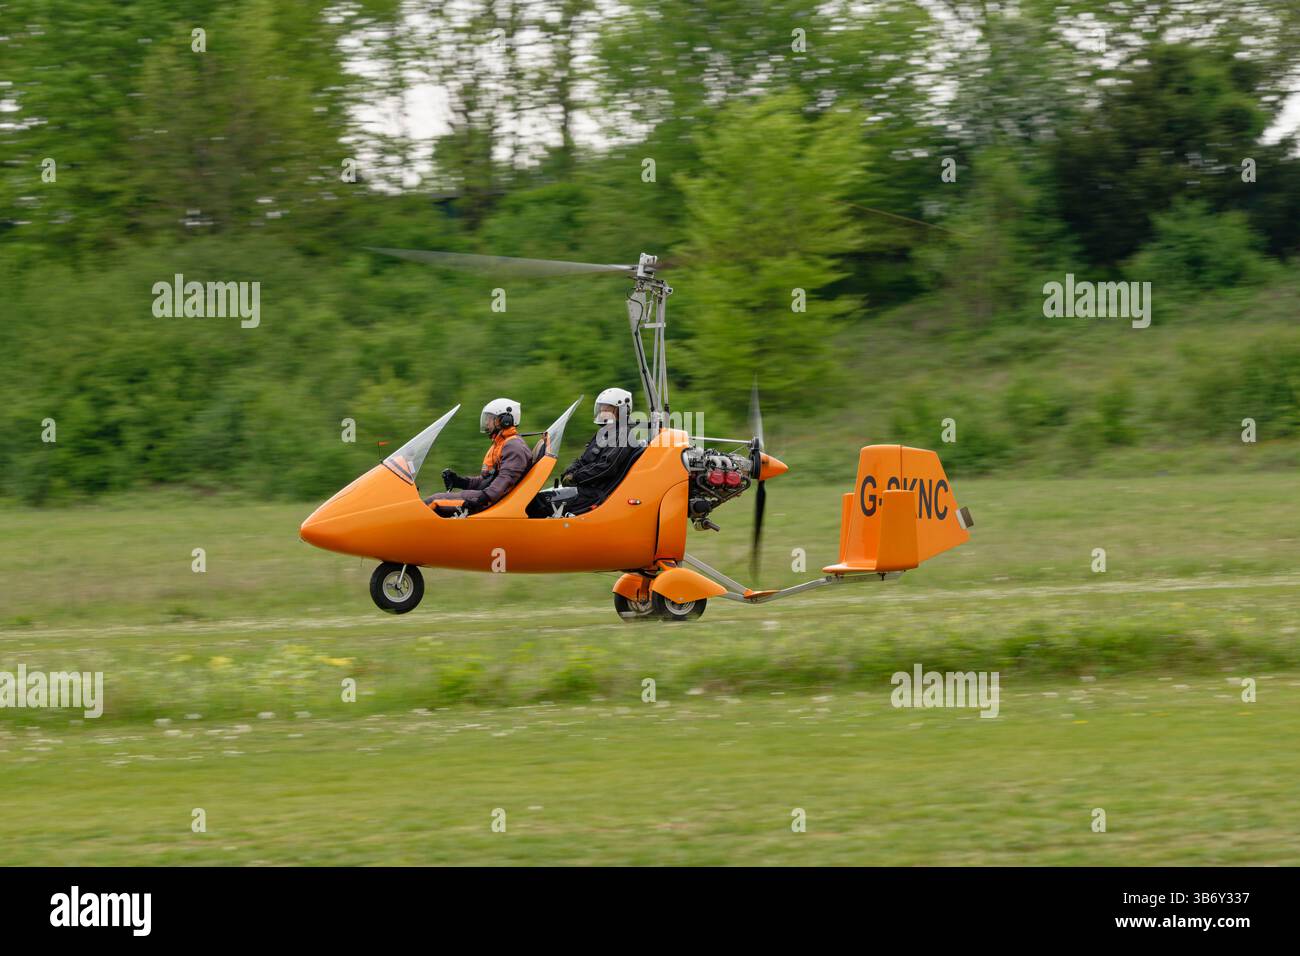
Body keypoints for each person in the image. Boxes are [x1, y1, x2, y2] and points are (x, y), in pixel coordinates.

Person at [424, 398, 531, 512]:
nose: (486, 423)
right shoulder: (501, 444)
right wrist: (461, 482)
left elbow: (504, 481)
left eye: (490, 419)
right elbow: (487, 480)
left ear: (504, 420)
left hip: (492, 503)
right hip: (489, 498)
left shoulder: (514, 446)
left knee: (433, 502)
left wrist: (478, 499)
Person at [554, 388, 644, 514]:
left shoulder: (624, 435)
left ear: (622, 411)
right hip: (586, 488)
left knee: (542, 502)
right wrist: (568, 472)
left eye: (607, 410)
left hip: (596, 494)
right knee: (544, 497)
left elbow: (607, 467)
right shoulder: (603, 433)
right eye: (601, 409)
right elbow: (583, 460)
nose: (602, 413)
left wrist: (575, 477)